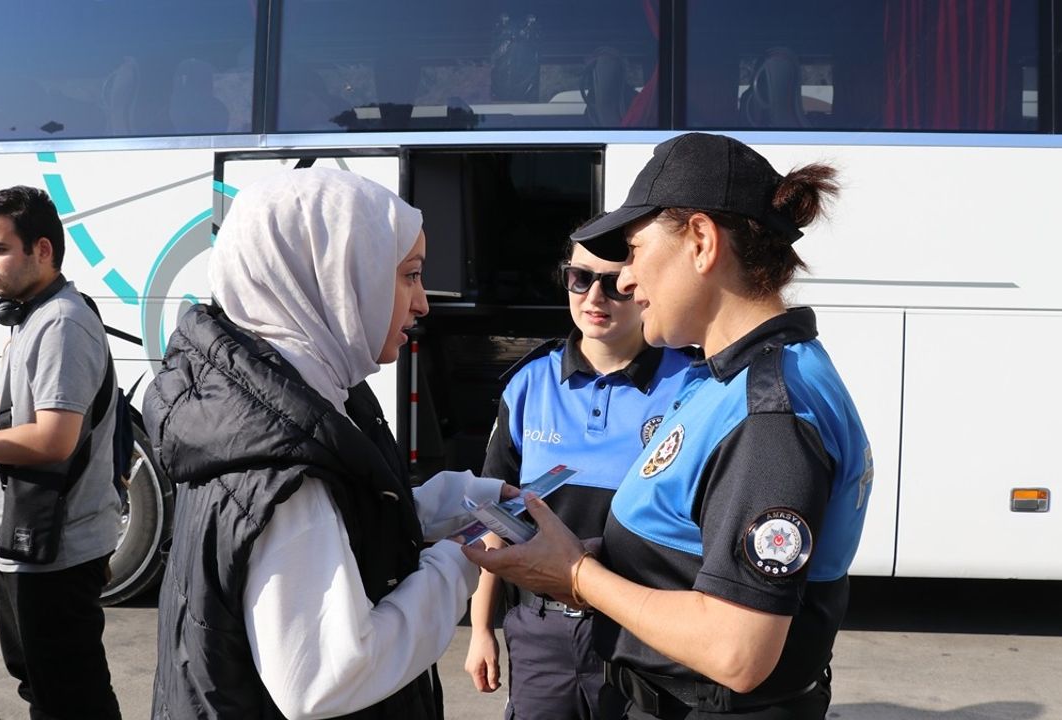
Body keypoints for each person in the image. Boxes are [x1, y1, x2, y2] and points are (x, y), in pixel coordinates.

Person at [465, 132, 874, 720]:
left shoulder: (768, 415)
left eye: (632, 252)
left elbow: (738, 651)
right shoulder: (727, 379)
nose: (624, 282)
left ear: (702, 242)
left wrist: (577, 575)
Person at [144, 168, 515, 719]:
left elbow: (352, 525)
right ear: (336, 275)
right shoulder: (283, 462)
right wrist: (460, 562)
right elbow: (322, 678)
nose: (423, 305)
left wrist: (462, 501)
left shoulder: (288, 405)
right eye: (409, 276)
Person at [464, 232, 696, 718]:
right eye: (580, 278)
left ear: (643, 285)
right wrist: (482, 628)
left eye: (614, 284)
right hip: (541, 633)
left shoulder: (693, 386)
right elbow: (494, 521)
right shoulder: (529, 384)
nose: (594, 297)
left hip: (645, 633)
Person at [0, 185, 123, 719]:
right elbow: (29, 397)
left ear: (42, 249)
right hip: (28, 540)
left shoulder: (61, 322)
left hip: (57, 550)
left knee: (68, 695)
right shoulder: (32, 316)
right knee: (43, 686)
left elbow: (53, 438)